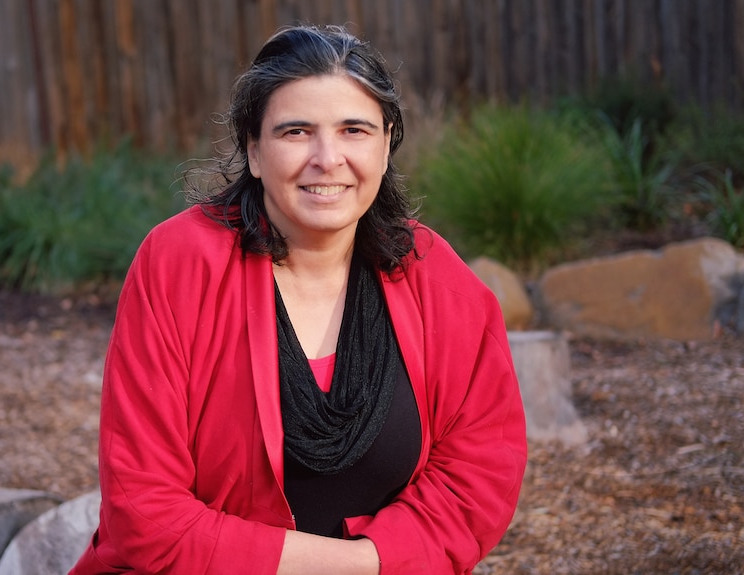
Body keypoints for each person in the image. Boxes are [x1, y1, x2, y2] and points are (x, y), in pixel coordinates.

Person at [70, 24, 526, 575]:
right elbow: (144, 511)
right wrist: (358, 566)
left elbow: (479, 471)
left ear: (386, 146)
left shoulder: (437, 279)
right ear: (254, 151)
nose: (327, 158)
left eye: (354, 130)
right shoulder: (178, 265)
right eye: (296, 132)